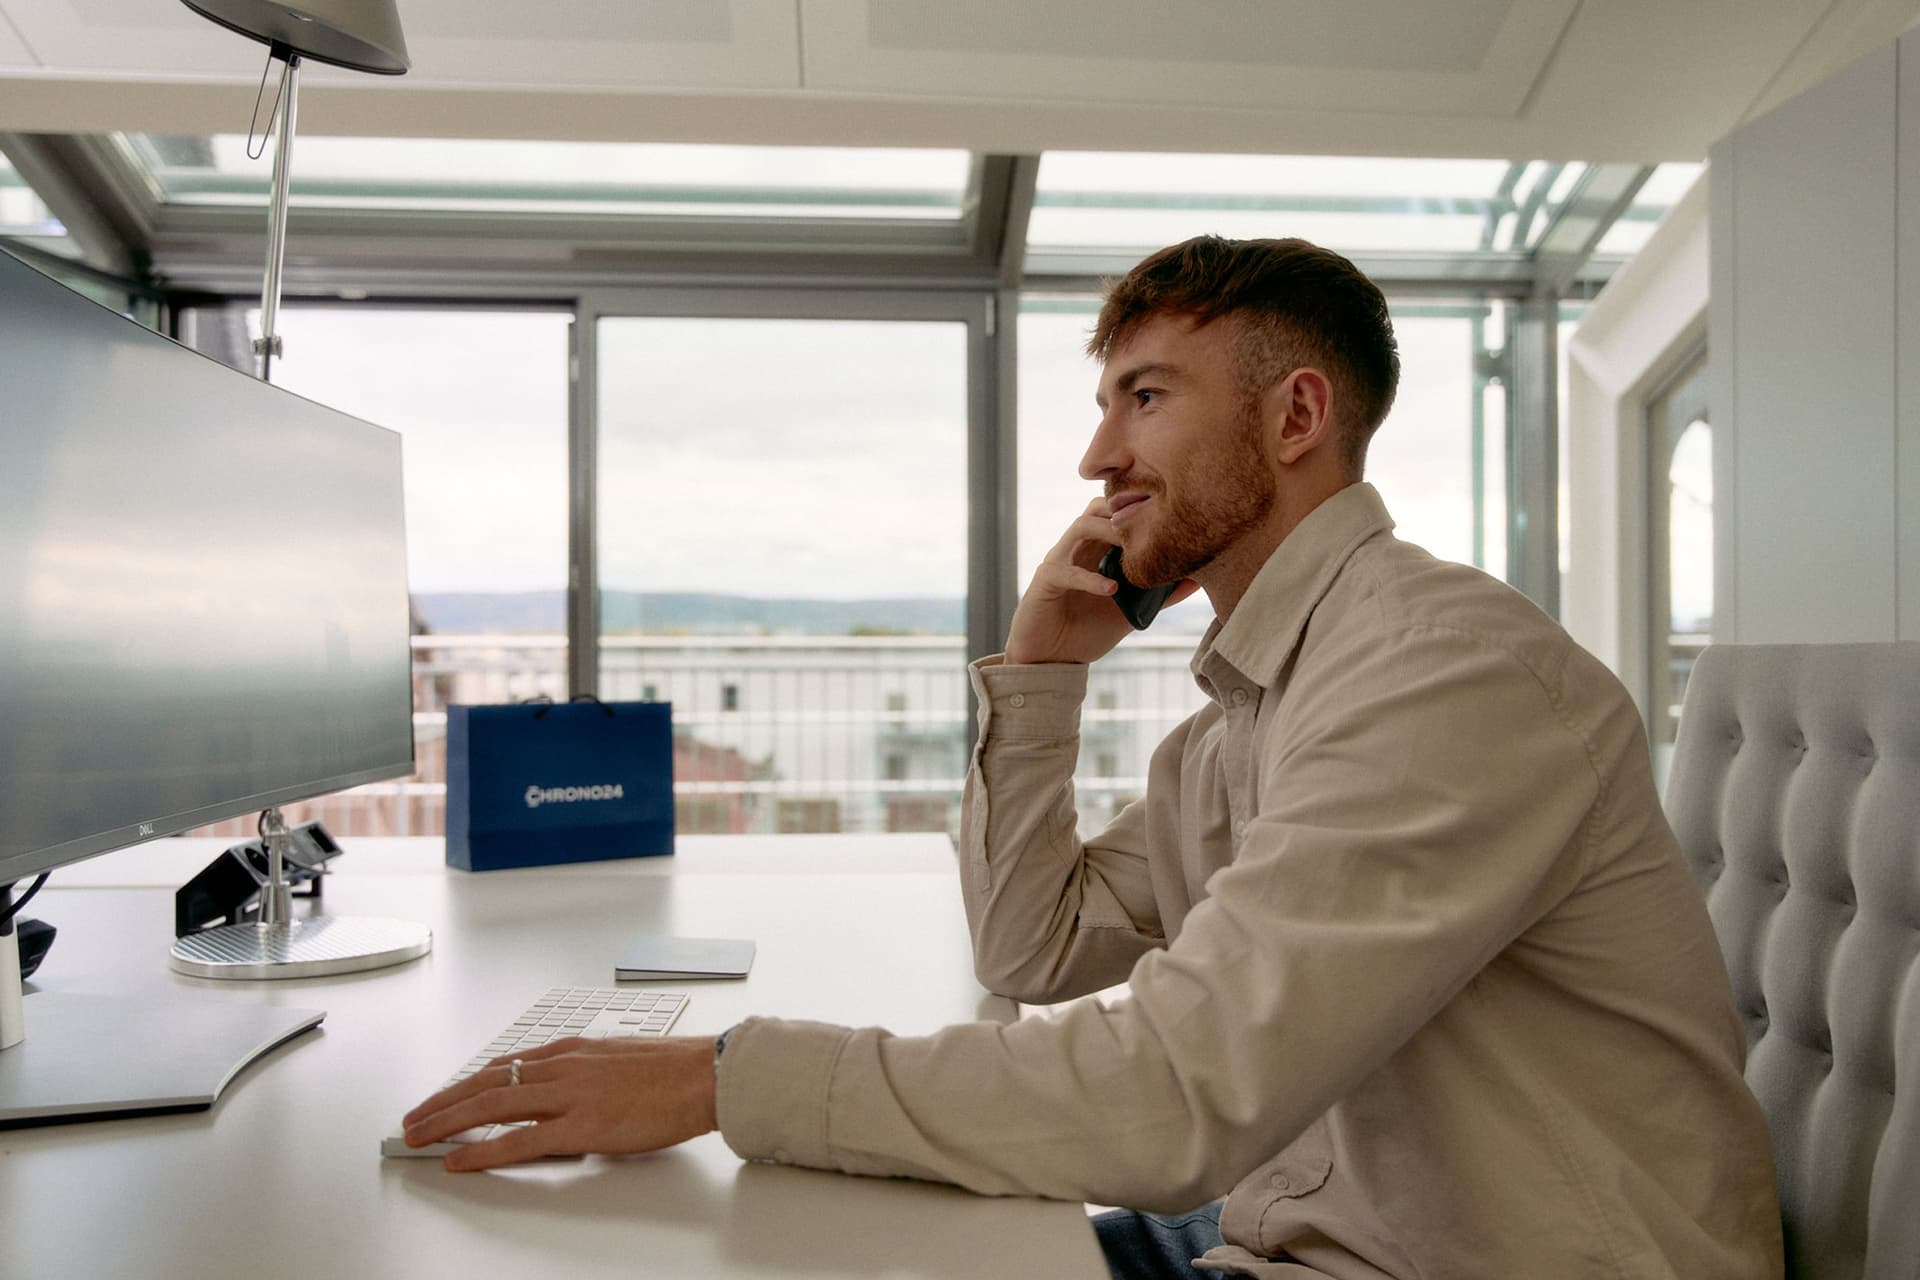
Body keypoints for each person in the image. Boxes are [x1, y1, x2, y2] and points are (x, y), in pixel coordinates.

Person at [404, 235, 1783, 1279]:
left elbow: (1173, 1090)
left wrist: (720, 1080)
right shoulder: (1247, 720)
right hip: (1294, 1232)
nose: (1094, 456)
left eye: (1144, 398)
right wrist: (1043, 670)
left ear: (1295, 420)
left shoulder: (1445, 680)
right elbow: (1032, 945)